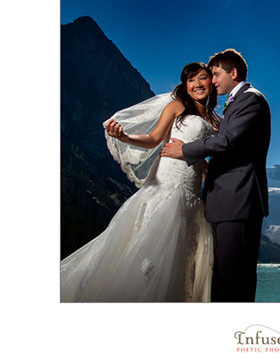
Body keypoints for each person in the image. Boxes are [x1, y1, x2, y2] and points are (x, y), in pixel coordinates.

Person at [60, 62, 220, 302]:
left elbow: (206, 149)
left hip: (192, 191)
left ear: (212, 82)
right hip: (167, 185)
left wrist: (203, 163)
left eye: (203, 78)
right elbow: (153, 138)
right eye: (191, 80)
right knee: (151, 255)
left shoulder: (214, 119)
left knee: (182, 257)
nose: (197, 84)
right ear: (185, 86)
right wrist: (124, 136)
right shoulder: (176, 107)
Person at [162, 49, 270, 302]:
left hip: (238, 201)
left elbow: (228, 140)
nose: (212, 80)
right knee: (224, 276)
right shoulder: (236, 101)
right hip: (227, 201)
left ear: (234, 73)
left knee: (234, 278)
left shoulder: (250, 99)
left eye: (216, 74)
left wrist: (184, 150)